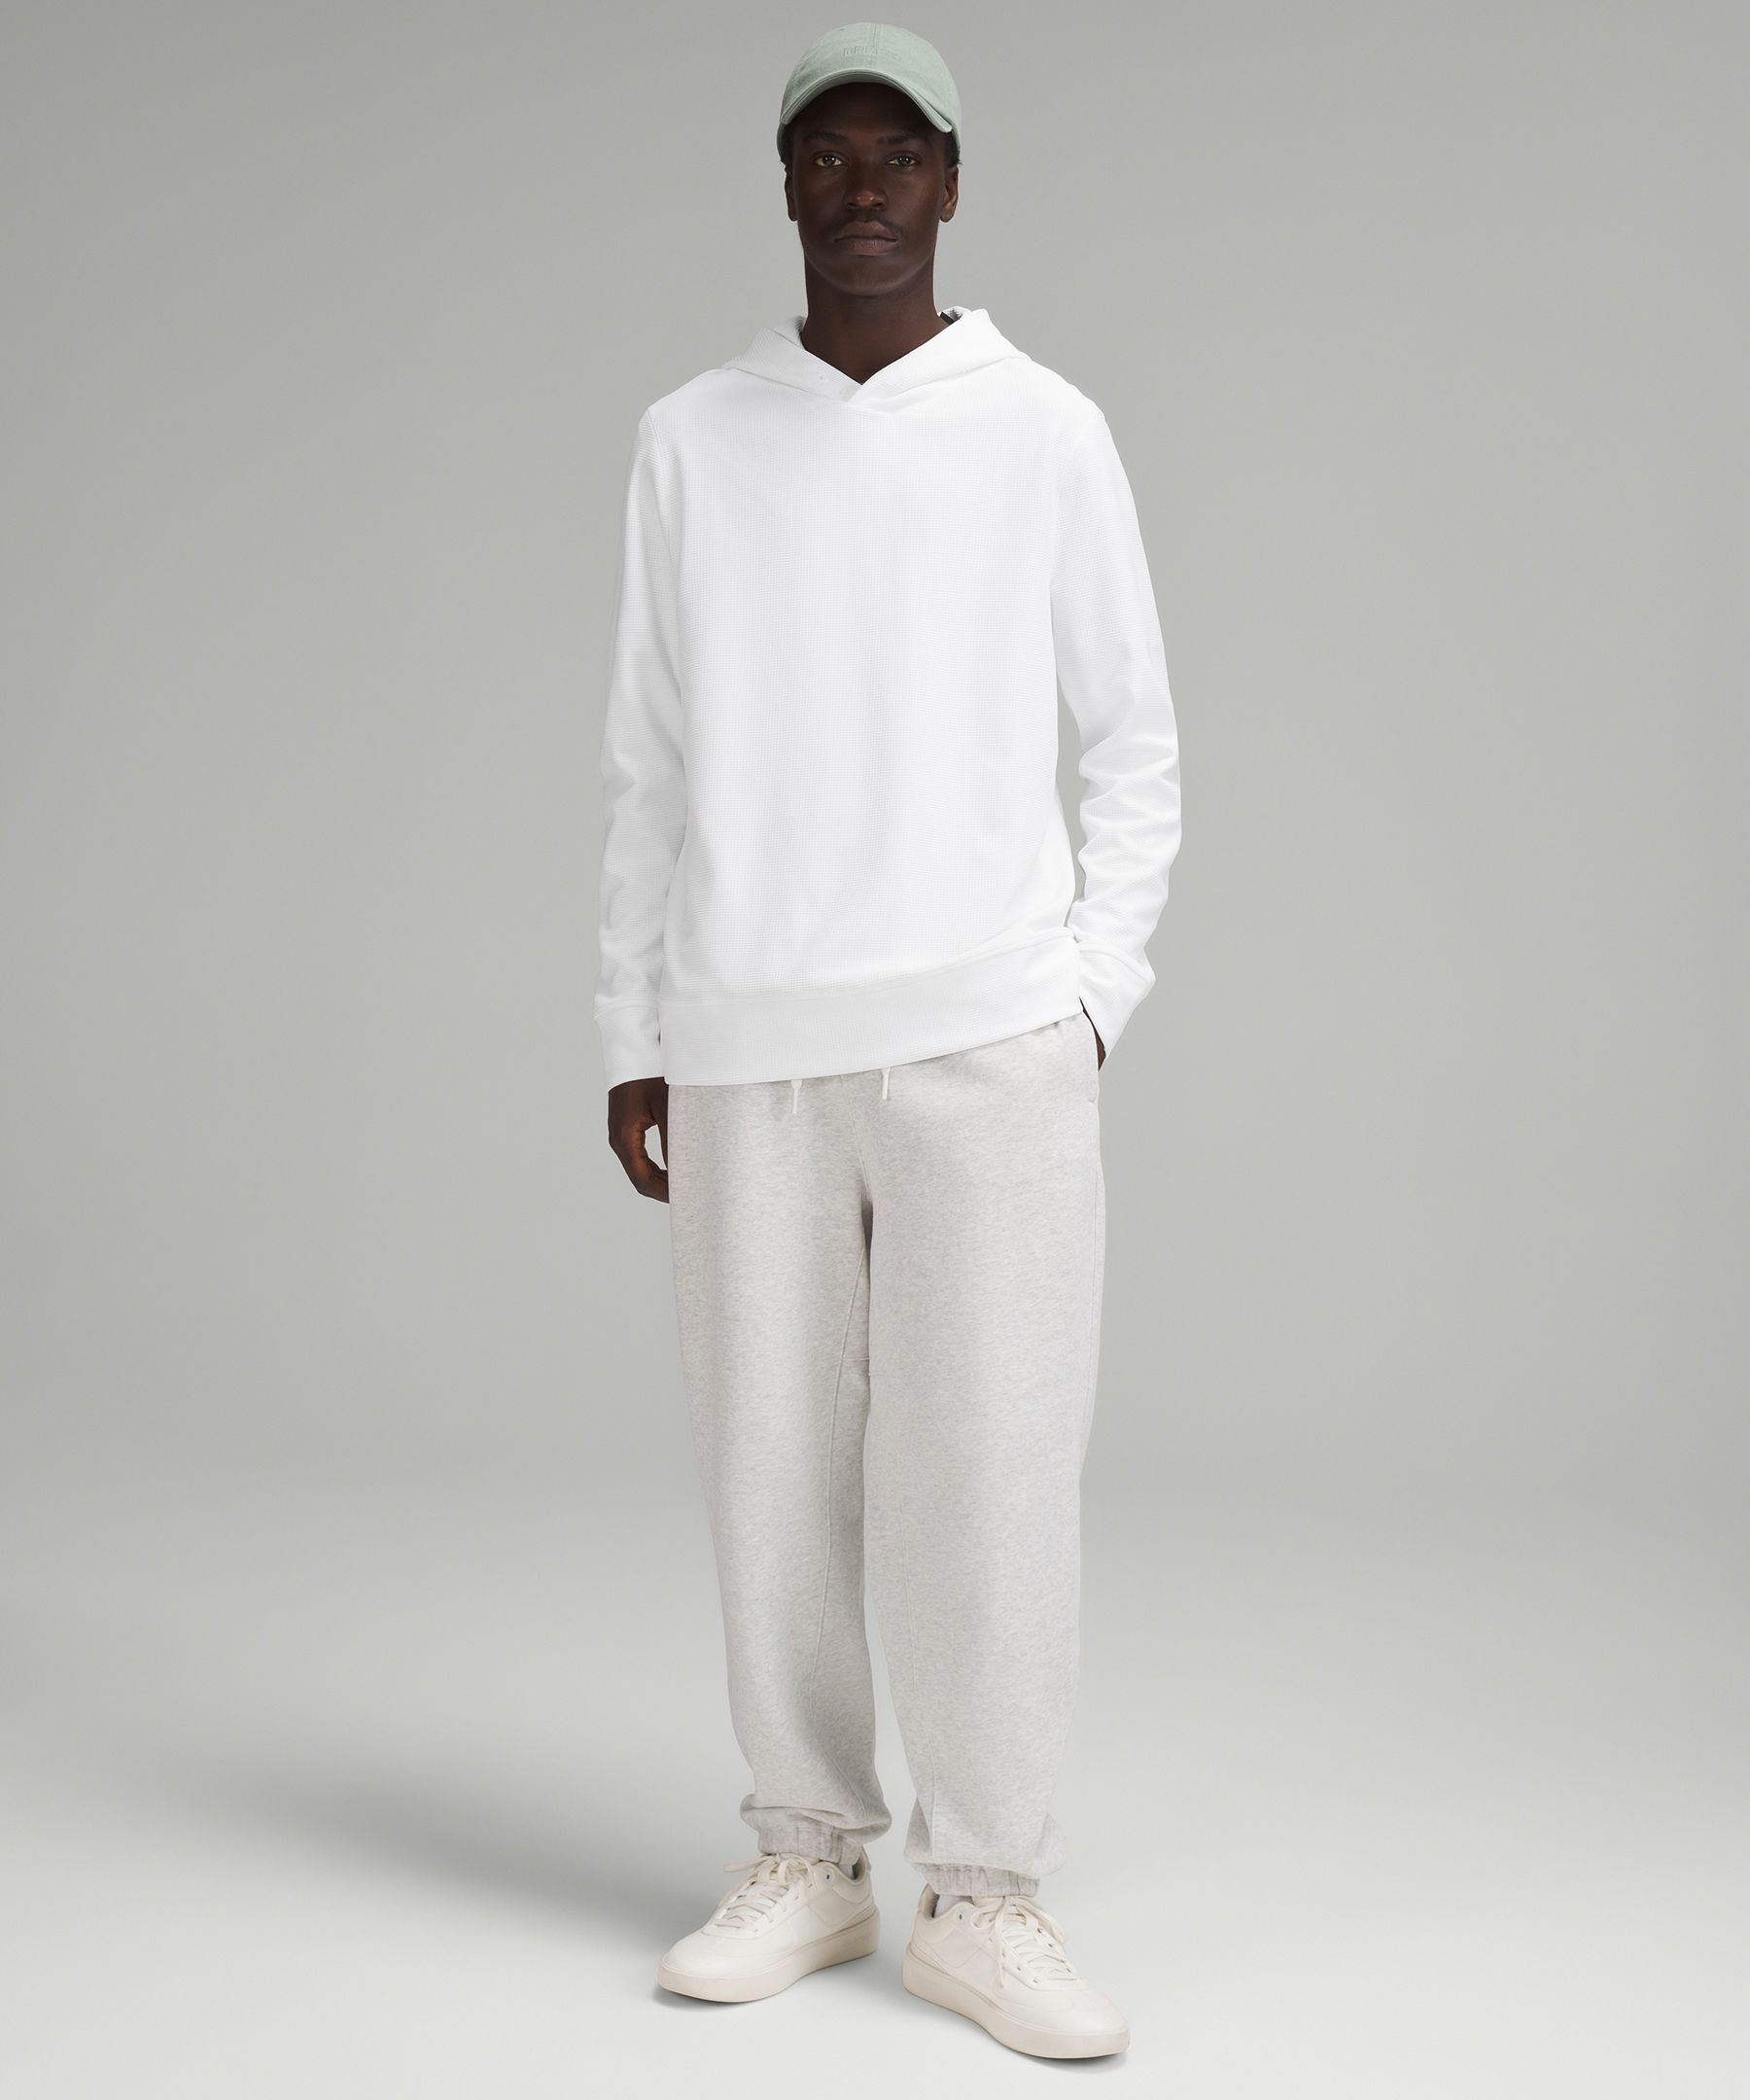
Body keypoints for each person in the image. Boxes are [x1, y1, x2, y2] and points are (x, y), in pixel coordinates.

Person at [593, 20, 1181, 2061]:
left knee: (989, 1469)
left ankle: (988, 1895)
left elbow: (1136, 741)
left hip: (988, 1039)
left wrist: (1091, 995)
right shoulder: (693, 437)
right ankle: (811, 1855)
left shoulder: (1045, 430)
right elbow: (649, 760)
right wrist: (632, 1024)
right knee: (769, 1467)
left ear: (950, 182)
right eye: (827, 156)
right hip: (746, 1037)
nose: (862, 189)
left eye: (897, 155)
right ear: (785, 186)